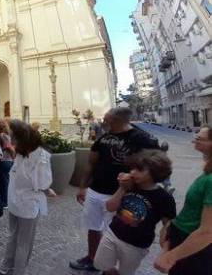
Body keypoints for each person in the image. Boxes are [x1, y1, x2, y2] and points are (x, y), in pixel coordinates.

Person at [70, 107, 160, 272]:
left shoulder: (142, 139)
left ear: (117, 120)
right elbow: (91, 163)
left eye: (106, 119)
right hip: (96, 191)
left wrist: (135, 180)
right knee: (93, 226)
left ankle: (114, 267)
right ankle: (92, 258)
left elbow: (156, 165)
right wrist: (83, 187)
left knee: (117, 233)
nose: (103, 122)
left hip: (122, 195)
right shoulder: (104, 138)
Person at [94, 150, 176, 275]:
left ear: (155, 172)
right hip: (113, 233)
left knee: (125, 272)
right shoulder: (130, 186)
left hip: (137, 245)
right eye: (132, 168)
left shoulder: (164, 198)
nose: (132, 172)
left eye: (140, 170)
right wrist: (122, 188)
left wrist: (166, 247)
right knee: (101, 264)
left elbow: (168, 224)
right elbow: (110, 207)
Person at [154, 127, 212, 275]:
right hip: (183, 238)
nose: (193, 140)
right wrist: (170, 228)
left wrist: (170, 257)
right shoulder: (208, 172)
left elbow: (208, 232)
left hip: (194, 249)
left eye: (199, 139)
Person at [0, 120, 53, 275]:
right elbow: (42, 184)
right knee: (24, 242)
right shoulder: (40, 157)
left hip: (15, 202)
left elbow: (23, 177)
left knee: (13, 236)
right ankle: (19, 270)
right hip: (28, 205)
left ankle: (5, 267)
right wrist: (48, 190)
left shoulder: (22, 154)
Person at [0, 119, 15, 209]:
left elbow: (8, 147)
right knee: (7, 181)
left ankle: (5, 202)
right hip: (9, 160)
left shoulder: (2, 135)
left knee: (4, 183)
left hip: (4, 160)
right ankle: (7, 200)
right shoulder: (8, 135)